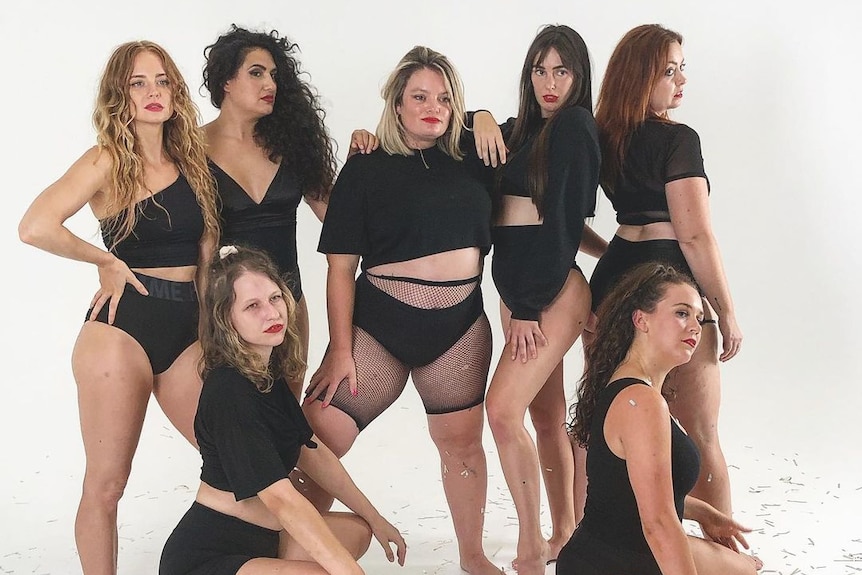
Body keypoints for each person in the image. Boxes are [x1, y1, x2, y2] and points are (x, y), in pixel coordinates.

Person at [18, 41, 219, 574]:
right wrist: (103, 260)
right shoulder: (108, 157)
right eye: (138, 83)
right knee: (107, 483)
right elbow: (35, 226)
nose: (153, 92)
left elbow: (204, 255)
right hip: (121, 327)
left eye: (162, 81)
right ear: (119, 96)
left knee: (235, 455)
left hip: (187, 324)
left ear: (176, 92)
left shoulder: (191, 159)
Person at [304, 46, 501, 574]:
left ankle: (473, 556)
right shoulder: (365, 167)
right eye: (419, 96)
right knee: (319, 433)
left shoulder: (477, 160)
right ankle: (292, 544)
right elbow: (340, 268)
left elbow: (517, 132)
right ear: (396, 104)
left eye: (444, 98)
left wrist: (481, 115)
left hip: (458, 329)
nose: (432, 107)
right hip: (377, 327)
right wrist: (341, 349)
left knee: (462, 445)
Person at [159, 246, 406, 575]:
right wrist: (350, 572)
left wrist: (375, 517)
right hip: (209, 557)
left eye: (275, 298)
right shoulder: (228, 391)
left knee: (360, 532)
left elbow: (311, 451)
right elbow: (281, 499)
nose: (271, 313)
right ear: (226, 320)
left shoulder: (264, 371)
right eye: (252, 306)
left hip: (266, 538)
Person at [590, 23, 742, 515]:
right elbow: (695, 235)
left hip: (613, 281)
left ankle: (606, 544)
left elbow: (561, 220)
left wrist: (614, 255)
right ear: (639, 77)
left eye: (682, 69)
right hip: (670, 285)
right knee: (700, 433)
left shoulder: (598, 137)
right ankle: (723, 552)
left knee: (606, 424)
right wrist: (726, 311)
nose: (681, 81)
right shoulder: (679, 139)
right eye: (668, 70)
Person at [470, 25, 602, 573]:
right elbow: (461, 137)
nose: (550, 83)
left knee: (502, 411)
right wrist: (477, 115)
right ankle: (566, 532)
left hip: (546, 293)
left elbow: (560, 229)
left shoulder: (573, 127)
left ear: (579, 77)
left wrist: (526, 307)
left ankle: (530, 548)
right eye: (539, 70)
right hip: (520, 292)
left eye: (562, 71)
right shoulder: (521, 130)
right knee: (545, 418)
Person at [558, 262, 758, 575]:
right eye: (681, 313)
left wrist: (703, 512)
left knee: (744, 567)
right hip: (611, 561)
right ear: (641, 320)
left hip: (609, 552)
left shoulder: (631, 386)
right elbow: (659, 525)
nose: (695, 327)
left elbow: (625, 490)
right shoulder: (641, 403)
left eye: (699, 319)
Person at [202, 25, 337, 399]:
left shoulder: (291, 144)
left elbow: (341, 220)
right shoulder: (190, 147)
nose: (270, 84)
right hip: (224, 310)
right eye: (257, 72)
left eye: (275, 75)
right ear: (226, 80)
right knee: (237, 425)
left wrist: (365, 159)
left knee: (286, 427)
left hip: (287, 305)